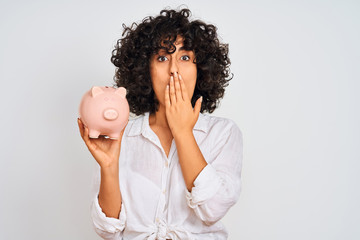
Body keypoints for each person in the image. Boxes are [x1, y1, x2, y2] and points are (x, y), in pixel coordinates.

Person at [77, 7, 243, 240]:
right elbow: (108, 230)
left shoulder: (223, 133)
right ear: (146, 69)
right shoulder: (121, 136)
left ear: (201, 69)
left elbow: (212, 210)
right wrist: (108, 167)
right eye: (163, 58)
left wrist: (183, 132)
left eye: (185, 58)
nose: (174, 70)